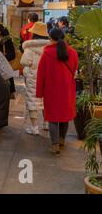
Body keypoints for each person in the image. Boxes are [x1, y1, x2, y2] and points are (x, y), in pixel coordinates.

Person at [36, 28, 78, 156]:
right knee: (65, 116)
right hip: (67, 89)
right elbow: (75, 69)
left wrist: (39, 93)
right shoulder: (73, 53)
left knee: (53, 118)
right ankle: (61, 141)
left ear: (51, 39)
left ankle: (55, 146)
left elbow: (41, 75)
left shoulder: (46, 54)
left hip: (51, 90)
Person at [20, 22, 50, 135]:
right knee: (46, 100)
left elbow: (24, 62)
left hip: (33, 77)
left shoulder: (30, 48)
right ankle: (46, 124)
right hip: (47, 77)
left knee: (33, 100)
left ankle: (34, 127)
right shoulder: (49, 48)